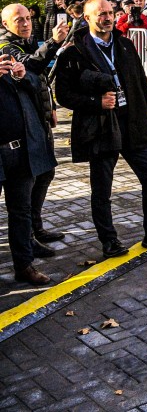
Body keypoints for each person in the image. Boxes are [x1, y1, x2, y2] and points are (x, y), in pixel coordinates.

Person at [54, 0, 147, 258]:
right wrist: (96, 102)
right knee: (102, 188)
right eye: (101, 14)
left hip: (133, 122)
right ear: (87, 18)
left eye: (110, 13)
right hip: (101, 127)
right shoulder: (73, 53)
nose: (107, 18)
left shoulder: (124, 44)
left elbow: (141, 84)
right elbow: (63, 95)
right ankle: (109, 241)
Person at [0, 4, 68, 250]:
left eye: (28, 18)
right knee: (30, 180)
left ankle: (35, 228)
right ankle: (27, 237)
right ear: (5, 24)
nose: (26, 23)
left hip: (39, 118)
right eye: (19, 20)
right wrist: (53, 42)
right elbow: (32, 67)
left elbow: (41, 81)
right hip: (23, 125)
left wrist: (50, 108)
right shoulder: (6, 47)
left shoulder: (27, 41)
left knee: (46, 172)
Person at [0, 50, 57, 284]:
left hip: (20, 151)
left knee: (21, 211)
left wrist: (21, 76)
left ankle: (24, 265)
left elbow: (36, 85)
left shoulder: (5, 55)